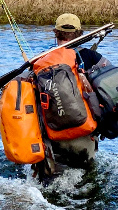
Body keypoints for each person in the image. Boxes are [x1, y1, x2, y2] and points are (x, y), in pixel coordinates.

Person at [44, 13, 111, 170]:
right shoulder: (92, 57)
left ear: (56, 33)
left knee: (52, 179)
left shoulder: (43, 59)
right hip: (85, 132)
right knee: (86, 177)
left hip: (53, 134)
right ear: (80, 33)